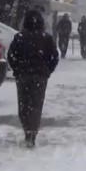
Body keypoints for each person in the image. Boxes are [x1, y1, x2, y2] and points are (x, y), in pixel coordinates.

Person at [8, 10, 59, 148]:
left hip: (23, 75)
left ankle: (27, 130)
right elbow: (54, 56)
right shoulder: (46, 38)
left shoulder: (19, 37)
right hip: (40, 76)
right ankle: (32, 132)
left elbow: (11, 56)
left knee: (23, 104)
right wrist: (47, 71)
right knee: (36, 105)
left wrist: (17, 69)